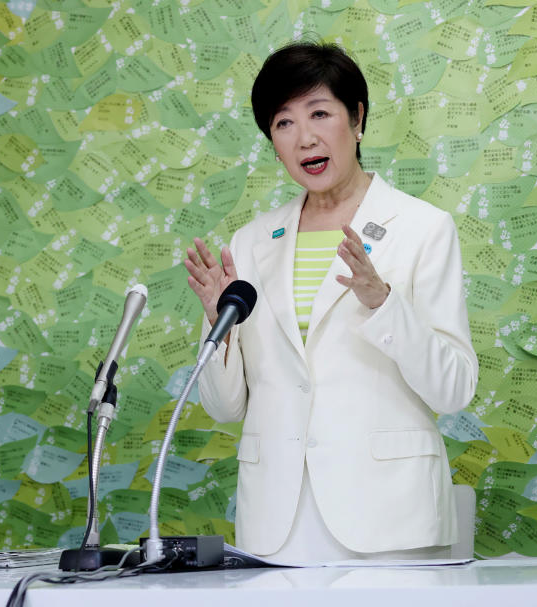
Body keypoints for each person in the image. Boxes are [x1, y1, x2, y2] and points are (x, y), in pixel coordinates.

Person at [184, 41, 479, 562]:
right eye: (284, 123)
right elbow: (225, 408)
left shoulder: (423, 228)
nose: (305, 138)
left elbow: (453, 388)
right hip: (277, 523)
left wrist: (383, 302)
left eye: (320, 113)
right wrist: (219, 328)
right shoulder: (253, 241)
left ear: (357, 117)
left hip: (390, 516)